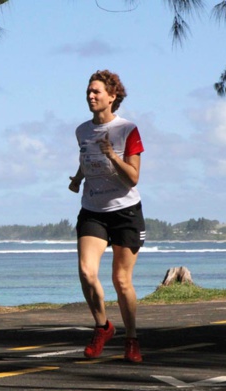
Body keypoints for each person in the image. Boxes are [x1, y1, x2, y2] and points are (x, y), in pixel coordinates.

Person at [69, 70, 145, 363]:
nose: (90, 96)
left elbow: (134, 178)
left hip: (125, 212)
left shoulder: (128, 130)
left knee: (121, 280)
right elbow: (86, 158)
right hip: (93, 211)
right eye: (88, 91)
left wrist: (114, 156)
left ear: (112, 97)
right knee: (87, 272)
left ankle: (132, 339)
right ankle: (103, 327)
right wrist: (77, 179)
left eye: (96, 92)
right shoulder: (81, 131)